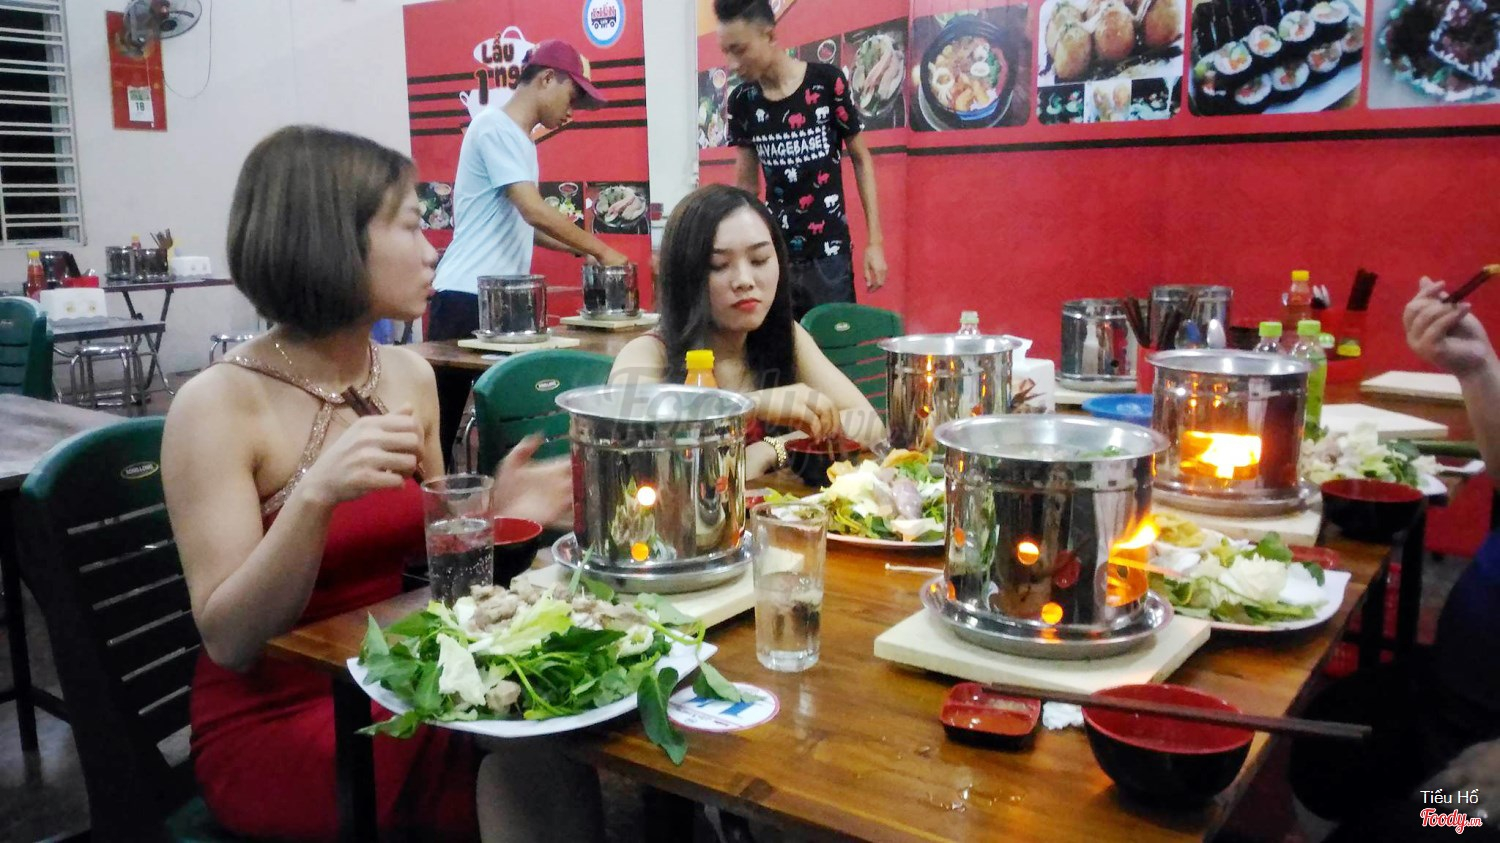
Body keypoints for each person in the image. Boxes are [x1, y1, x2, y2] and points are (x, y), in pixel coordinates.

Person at [162, 126, 601, 843]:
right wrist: (314, 497)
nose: (433, 251)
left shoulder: (406, 376)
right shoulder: (217, 405)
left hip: (403, 671)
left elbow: (442, 577)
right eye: (411, 224)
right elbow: (230, 640)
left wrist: (495, 515)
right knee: (527, 752)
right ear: (329, 238)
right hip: (284, 718)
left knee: (558, 722)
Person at [1288, 276, 1500, 842]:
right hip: (1458, 695)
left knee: (1415, 824)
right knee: (1324, 747)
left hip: (1487, 754)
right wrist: (1476, 368)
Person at [429, 39, 630, 468]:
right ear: (546, 79)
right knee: (441, 430)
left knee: (501, 421)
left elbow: (527, 225)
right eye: (572, 97)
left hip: (497, 306)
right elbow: (533, 210)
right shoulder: (493, 127)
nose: (572, 111)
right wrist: (602, 248)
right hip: (464, 297)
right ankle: (433, 504)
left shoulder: (518, 139)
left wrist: (582, 252)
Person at [610, 184, 884, 477]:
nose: (744, 280)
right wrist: (749, 407)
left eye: (759, 260)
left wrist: (772, 449)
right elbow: (633, 455)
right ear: (684, 276)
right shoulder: (648, 352)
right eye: (719, 265)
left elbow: (869, 423)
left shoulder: (785, 335)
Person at [715, 0, 889, 320]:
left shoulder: (827, 83)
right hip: (772, 258)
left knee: (832, 344)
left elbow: (861, 159)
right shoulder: (742, 101)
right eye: (726, 51)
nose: (732, 64)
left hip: (830, 256)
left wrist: (874, 243)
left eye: (739, 50)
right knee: (776, 347)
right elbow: (747, 189)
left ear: (769, 35)